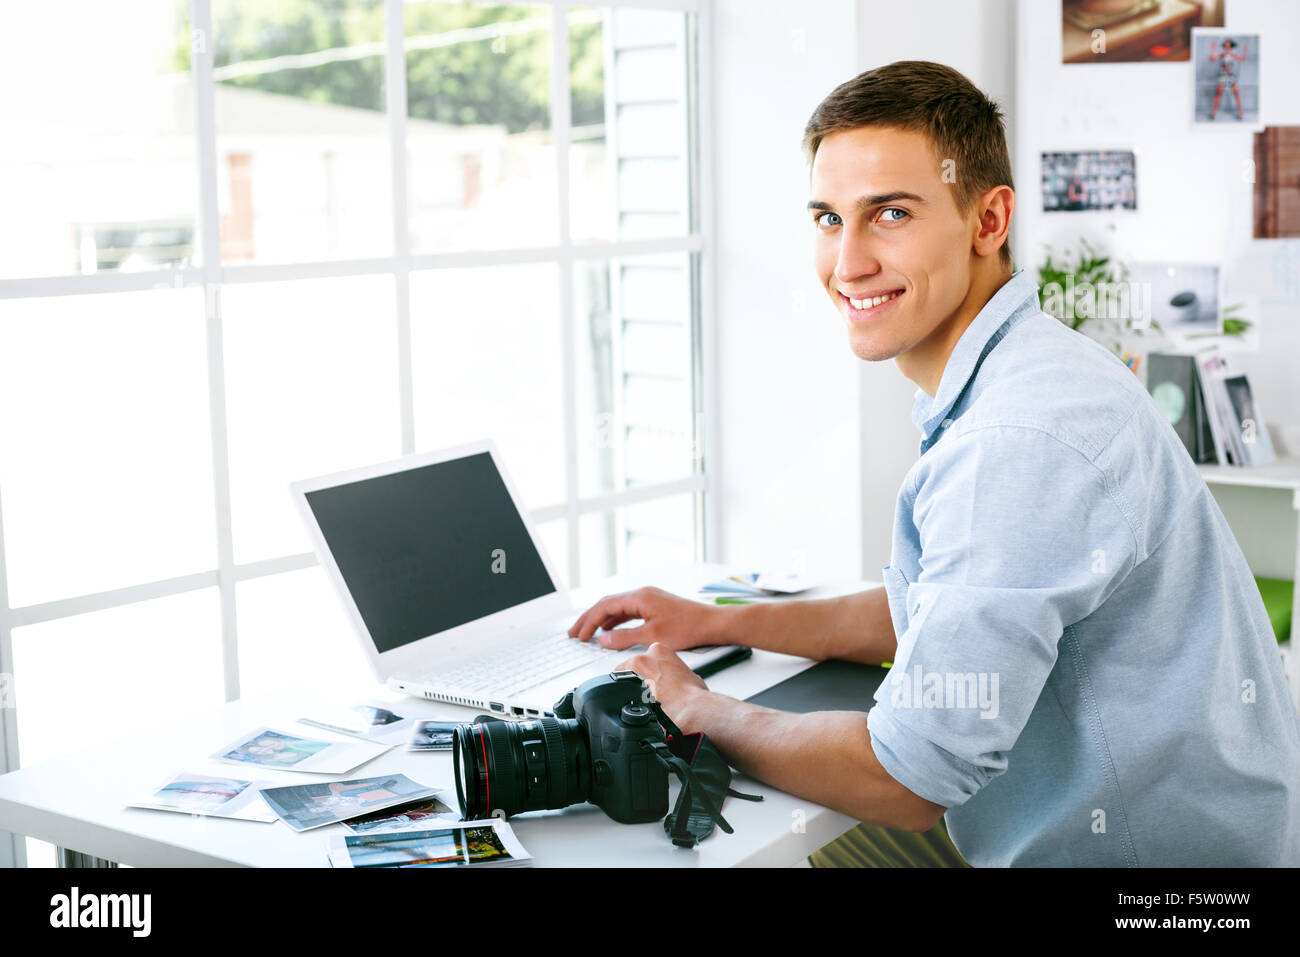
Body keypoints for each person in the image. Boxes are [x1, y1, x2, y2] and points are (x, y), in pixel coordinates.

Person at [567, 60, 1300, 867]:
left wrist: (704, 708)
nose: (847, 263)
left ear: (989, 220)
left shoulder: (1017, 440)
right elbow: (946, 606)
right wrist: (720, 619)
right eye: (827, 218)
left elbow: (907, 776)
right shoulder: (1029, 367)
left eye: (889, 214)